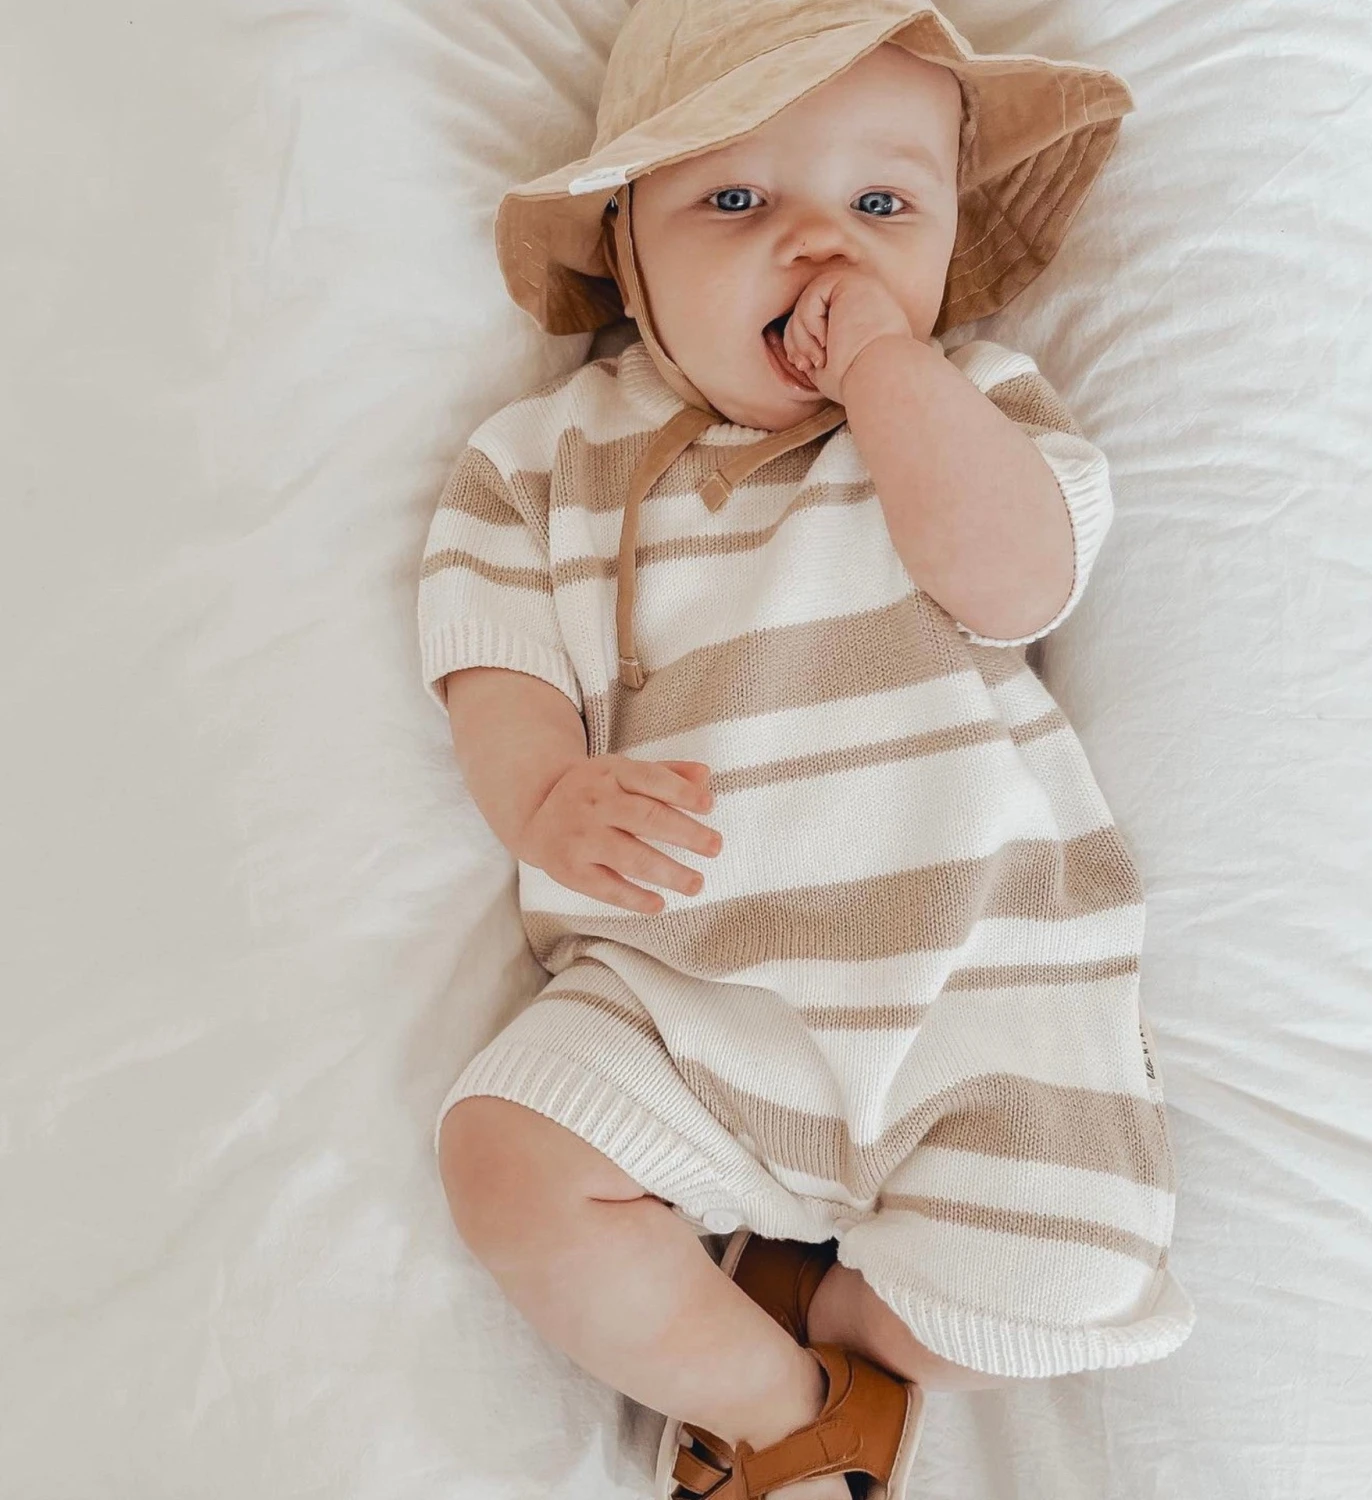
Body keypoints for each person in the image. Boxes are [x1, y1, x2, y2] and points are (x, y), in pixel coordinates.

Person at [418, 3, 1195, 1496]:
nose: (820, 247)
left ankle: (833, 1317)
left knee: (1073, 1281)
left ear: (950, 238)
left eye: (883, 206)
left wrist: (895, 378)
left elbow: (1015, 583)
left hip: (976, 985)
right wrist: (544, 793)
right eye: (735, 199)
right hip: (681, 990)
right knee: (504, 1158)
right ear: (626, 248)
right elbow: (489, 660)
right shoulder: (544, 460)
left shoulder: (975, 407)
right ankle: (778, 1405)